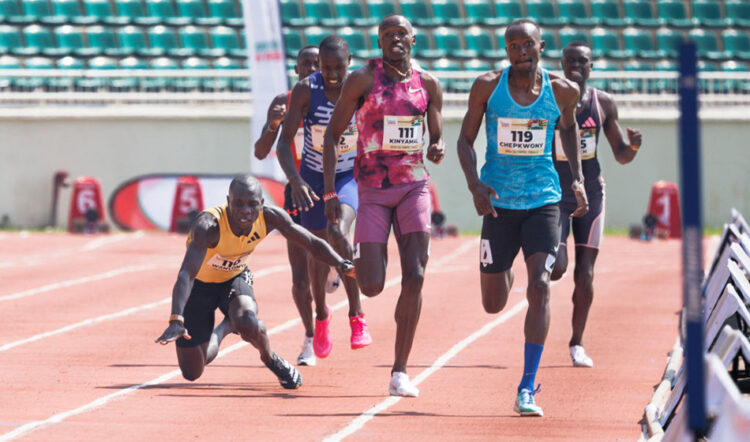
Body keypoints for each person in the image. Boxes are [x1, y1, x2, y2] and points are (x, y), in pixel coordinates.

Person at [456, 19, 588, 417]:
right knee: (493, 304)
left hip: (544, 200)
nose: (520, 52)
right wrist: (474, 185)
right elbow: (464, 140)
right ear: (507, 50)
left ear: (541, 46)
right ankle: (507, 269)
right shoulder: (487, 87)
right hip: (498, 203)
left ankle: (527, 385)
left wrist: (577, 179)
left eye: (527, 44)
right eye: (513, 46)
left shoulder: (563, 91)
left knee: (541, 285)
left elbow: (568, 131)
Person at [322, 14, 445, 397]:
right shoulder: (363, 79)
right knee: (373, 285)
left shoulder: (428, 84)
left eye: (401, 34)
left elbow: (436, 133)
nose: (395, 39)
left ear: (413, 39)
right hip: (373, 191)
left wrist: (437, 147)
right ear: (379, 42)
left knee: (417, 276)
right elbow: (330, 136)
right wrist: (330, 193)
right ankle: (345, 267)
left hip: (413, 188)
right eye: (387, 34)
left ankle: (399, 371)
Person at [155, 175, 356, 389]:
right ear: (228, 201)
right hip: (199, 286)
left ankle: (270, 358)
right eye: (238, 204)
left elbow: (311, 242)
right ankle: (227, 326)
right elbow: (186, 274)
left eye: (252, 204)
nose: (245, 211)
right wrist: (176, 319)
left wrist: (341, 262)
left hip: (234, 278)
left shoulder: (270, 217)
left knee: (248, 320)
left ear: (261, 204)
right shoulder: (209, 226)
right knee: (192, 371)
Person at [276, 35, 372, 360]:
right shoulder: (306, 90)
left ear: (350, 62)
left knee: (339, 232)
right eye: (326, 67)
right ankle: (321, 316)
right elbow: (283, 143)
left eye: (339, 67)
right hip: (313, 178)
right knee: (316, 255)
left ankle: (357, 315)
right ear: (318, 65)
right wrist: (295, 179)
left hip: (348, 176)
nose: (332, 74)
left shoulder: (360, 88)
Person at [550, 41, 642, 368]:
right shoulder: (548, 97)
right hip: (555, 190)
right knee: (556, 266)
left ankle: (577, 342)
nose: (576, 65)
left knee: (585, 272)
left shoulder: (602, 103)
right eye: (570, 60)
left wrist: (632, 148)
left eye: (582, 61)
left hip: (591, 190)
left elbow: (620, 153)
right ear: (561, 64)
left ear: (591, 66)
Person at [253, 45, 336, 366]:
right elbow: (261, 152)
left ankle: (337, 266)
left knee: (323, 266)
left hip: (331, 192)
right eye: (305, 64)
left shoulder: (338, 99)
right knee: (300, 276)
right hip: (297, 194)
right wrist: (274, 126)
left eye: (317, 64)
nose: (311, 69)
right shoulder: (283, 103)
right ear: (297, 69)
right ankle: (311, 334)